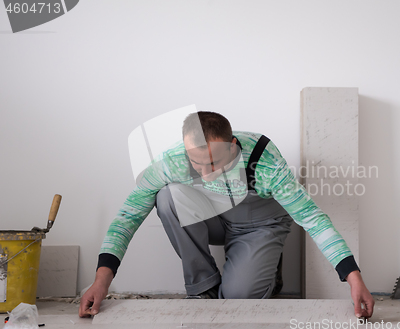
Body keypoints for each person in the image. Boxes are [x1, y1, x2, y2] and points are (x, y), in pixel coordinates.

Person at [79, 111, 374, 318]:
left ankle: (266, 269)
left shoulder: (265, 161)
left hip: (261, 226)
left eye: (214, 163)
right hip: (216, 220)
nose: (205, 175)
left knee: (239, 302)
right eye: (197, 164)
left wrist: (353, 278)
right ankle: (203, 288)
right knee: (168, 196)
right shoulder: (172, 162)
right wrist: (102, 280)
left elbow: (312, 218)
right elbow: (128, 216)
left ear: (232, 146)